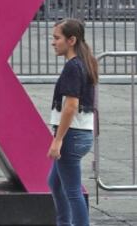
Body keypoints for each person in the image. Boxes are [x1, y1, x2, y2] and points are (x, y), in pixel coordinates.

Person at [48, 18, 98, 226]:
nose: (53, 42)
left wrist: (58, 140)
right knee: (55, 183)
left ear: (71, 40)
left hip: (72, 135)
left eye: (56, 38)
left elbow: (70, 106)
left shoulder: (72, 67)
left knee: (73, 192)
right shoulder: (84, 63)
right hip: (81, 133)